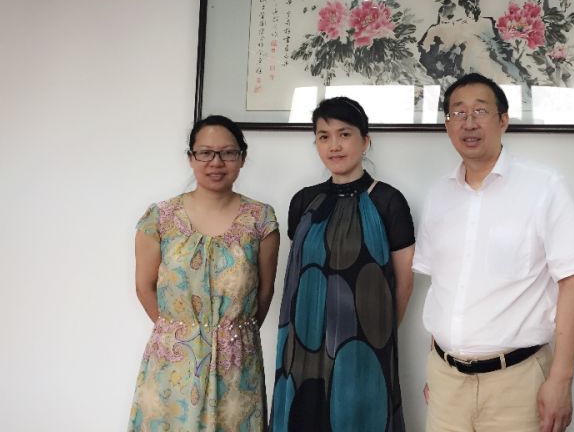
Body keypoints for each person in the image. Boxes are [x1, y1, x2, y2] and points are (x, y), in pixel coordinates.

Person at [413, 73, 574, 432]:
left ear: (503, 120)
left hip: (517, 383)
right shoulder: (439, 195)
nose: (469, 122)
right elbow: (442, 287)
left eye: (480, 111)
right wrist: (436, 364)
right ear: (447, 125)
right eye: (458, 113)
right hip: (446, 383)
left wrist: (561, 379)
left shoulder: (543, 186)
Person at [270, 96, 415, 432]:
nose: (334, 145)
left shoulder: (388, 201)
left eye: (344, 134)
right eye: (324, 136)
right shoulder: (304, 201)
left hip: (363, 348)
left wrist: (377, 338)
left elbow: (404, 283)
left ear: (365, 141)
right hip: (303, 345)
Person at [129, 115, 280, 431]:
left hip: (237, 363)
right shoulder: (160, 218)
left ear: (242, 158)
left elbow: (265, 291)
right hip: (172, 363)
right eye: (205, 153)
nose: (216, 162)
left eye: (228, 153)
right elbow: (144, 287)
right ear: (191, 158)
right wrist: (182, 333)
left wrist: (230, 334)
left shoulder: (260, 219)